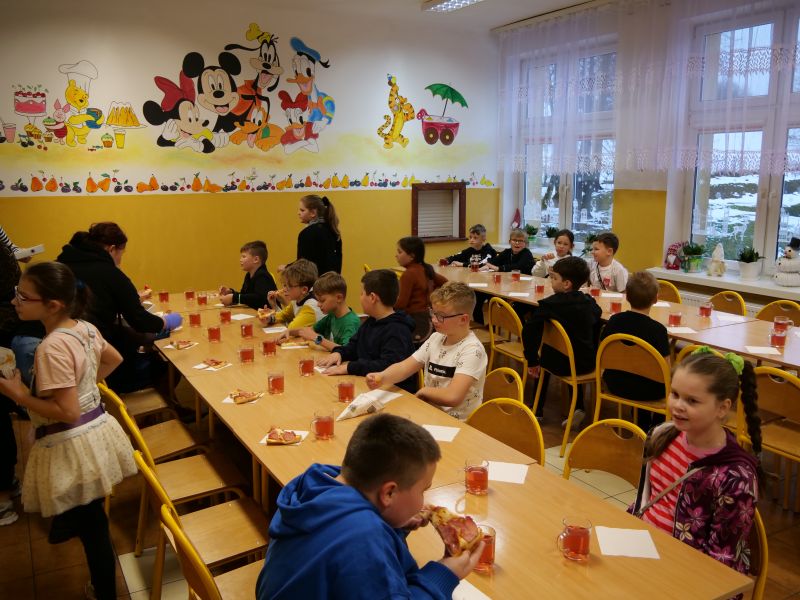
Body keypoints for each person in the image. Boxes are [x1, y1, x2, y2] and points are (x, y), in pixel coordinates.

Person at [0, 262, 136, 600]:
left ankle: (105, 591)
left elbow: (67, 411)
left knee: (94, 529)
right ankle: (73, 529)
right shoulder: (85, 328)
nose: (15, 301)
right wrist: (84, 387)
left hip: (73, 443)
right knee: (93, 518)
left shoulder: (51, 347)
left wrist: (20, 395)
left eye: (23, 297)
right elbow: (114, 359)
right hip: (95, 431)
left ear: (53, 305)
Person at [256, 413, 483, 600]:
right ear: (389, 493)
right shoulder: (363, 537)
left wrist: (392, 525)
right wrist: (443, 575)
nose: (423, 500)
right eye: (423, 490)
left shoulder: (313, 488)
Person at [631, 349, 761, 579]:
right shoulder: (663, 435)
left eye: (692, 400)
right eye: (675, 394)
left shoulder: (735, 478)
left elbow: (722, 564)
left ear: (722, 408)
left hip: (685, 573)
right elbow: (645, 500)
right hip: (641, 550)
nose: (678, 406)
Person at [57, 222, 182, 393]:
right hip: (98, 361)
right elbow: (139, 320)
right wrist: (166, 322)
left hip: (65, 355)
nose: (120, 259)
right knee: (168, 367)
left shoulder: (61, 265)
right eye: (121, 253)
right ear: (111, 249)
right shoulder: (110, 273)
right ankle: (163, 406)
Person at [367, 282, 487, 421]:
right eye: (433, 313)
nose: (434, 320)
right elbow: (404, 367)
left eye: (441, 316)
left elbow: (453, 396)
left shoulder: (472, 350)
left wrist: (424, 392)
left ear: (463, 319)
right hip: (430, 412)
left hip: (458, 423)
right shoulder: (436, 338)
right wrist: (382, 376)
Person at [522, 256, 601, 427]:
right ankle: (578, 406)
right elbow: (598, 314)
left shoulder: (549, 305)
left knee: (546, 357)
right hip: (586, 363)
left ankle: (537, 410)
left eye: (554, 278)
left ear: (566, 284)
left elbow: (529, 329)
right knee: (573, 350)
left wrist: (532, 360)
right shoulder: (589, 302)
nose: (551, 281)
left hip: (557, 364)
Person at [317, 270, 416, 392]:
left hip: (394, 391)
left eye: (361, 293)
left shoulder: (398, 330)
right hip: (370, 385)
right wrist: (339, 353)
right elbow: (353, 346)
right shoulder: (371, 321)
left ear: (373, 297)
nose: (360, 297)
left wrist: (350, 367)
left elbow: (387, 366)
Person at [600, 271, 670, 431]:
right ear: (656, 299)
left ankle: (641, 422)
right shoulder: (658, 330)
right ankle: (656, 428)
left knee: (638, 374)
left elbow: (603, 352)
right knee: (663, 382)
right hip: (648, 391)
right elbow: (665, 370)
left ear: (626, 296)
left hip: (615, 383)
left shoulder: (613, 321)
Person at [277, 271, 360, 350]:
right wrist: (289, 331)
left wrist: (317, 338)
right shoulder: (332, 315)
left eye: (322, 300)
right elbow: (310, 330)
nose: (318, 304)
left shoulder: (351, 322)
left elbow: (346, 351)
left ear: (339, 298)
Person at [395, 236, 447, 344]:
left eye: (399, 252)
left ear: (411, 256)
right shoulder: (425, 269)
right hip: (429, 319)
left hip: (417, 322)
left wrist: (386, 307)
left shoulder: (409, 274)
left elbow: (401, 304)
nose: (396, 255)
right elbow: (447, 284)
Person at [260, 259, 323, 329]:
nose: (284, 289)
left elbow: (291, 328)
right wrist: (269, 318)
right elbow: (283, 315)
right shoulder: (297, 300)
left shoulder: (311, 306)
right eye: (285, 285)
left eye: (289, 286)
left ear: (304, 290)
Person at [289, 194, 342, 275]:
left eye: (302, 210)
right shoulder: (334, 231)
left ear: (313, 213)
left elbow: (303, 264)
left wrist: (287, 268)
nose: (298, 213)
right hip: (332, 281)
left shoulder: (307, 233)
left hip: (315, 281)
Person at [218, 240, 277, 309]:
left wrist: (234, 298)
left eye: (243, 257)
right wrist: (231, 292)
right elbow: (245, 296)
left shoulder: (263, 276)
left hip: (268, 314)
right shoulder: (248, 275)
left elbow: (259, 298)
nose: (240, 260)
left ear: (256, 259)